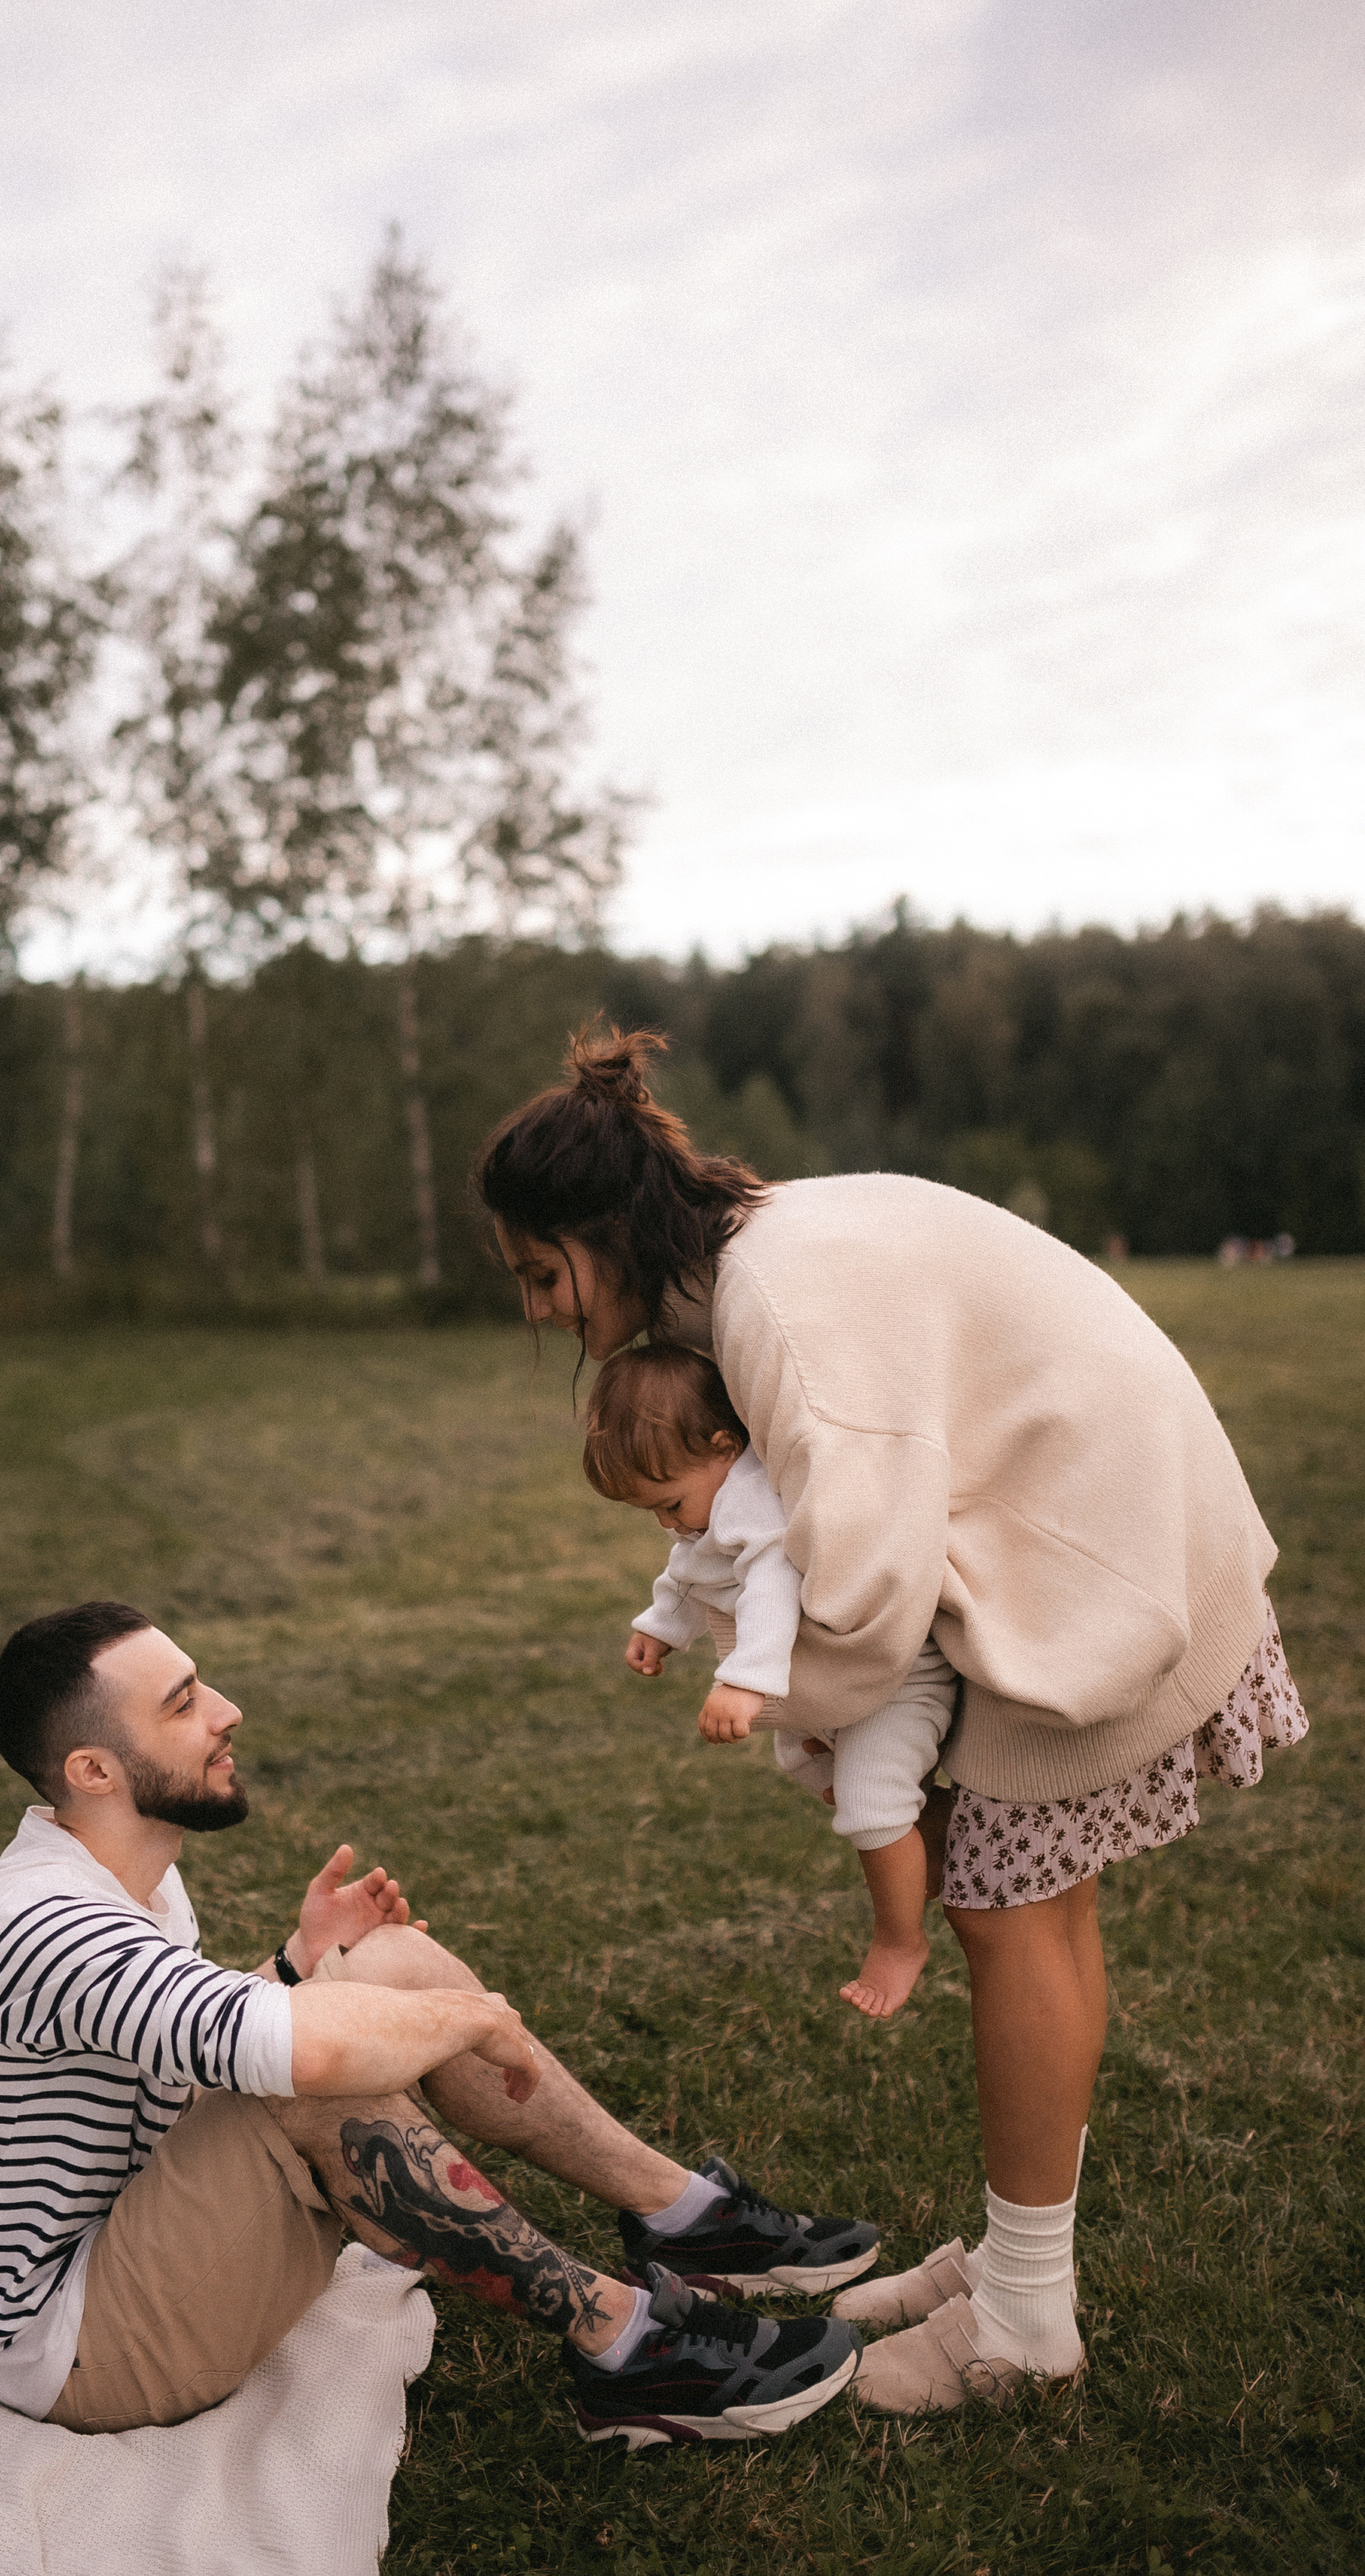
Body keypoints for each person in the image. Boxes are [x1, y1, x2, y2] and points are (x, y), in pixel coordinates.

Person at [474, 1026, 1307, 2415]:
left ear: (599, 1232)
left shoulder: (773, 1309)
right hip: (1082, 1522)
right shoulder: (753, 1256)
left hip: (1091, 1553)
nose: (541, 1310)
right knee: (1037, 1907)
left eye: (539, 1273)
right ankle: (1010, 2263)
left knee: (1004, 1915)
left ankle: (1027, 2323)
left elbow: (860, 1597)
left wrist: (800, 1727)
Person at [0, 1601, 872, 2454]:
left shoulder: (126, 1877)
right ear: (94, 1769)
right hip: (75, 2345)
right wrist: (469, 2017)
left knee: (389, 1965)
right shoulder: (36, 1921)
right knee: (315, 2071)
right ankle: (631, 2346)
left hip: (134, 2221)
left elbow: (164, 2058)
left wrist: (294, 1962)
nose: (227, 1709)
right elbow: (307, 2054)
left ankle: (685, 2218)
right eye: (183, 1701)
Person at [584, 1342, 956, 2018]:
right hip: (836, 1689)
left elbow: (769, 1584)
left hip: (891, 1682)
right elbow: (689, 1567)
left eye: (670, 1501)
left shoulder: (755, 1498)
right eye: (653, 1513)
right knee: (802, 1758)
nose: (669, 1522)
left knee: (867, 1802)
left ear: (725, 1446)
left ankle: (900, 1940)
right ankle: (922, 1816)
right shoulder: (710, 1504)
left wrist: (744, 1681)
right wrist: (660, 1625)